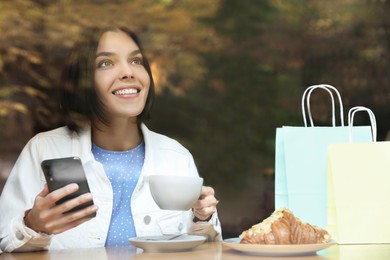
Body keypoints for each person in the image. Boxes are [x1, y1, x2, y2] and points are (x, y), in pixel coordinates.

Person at [0, 25, 222, 252]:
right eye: (105, 63)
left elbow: (209, 252)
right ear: (82, 81)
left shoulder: (176, 156)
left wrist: (203, 218)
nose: (129, 72)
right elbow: (3, 242)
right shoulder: (44, 149)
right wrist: (33, 225)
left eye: (136, 61)